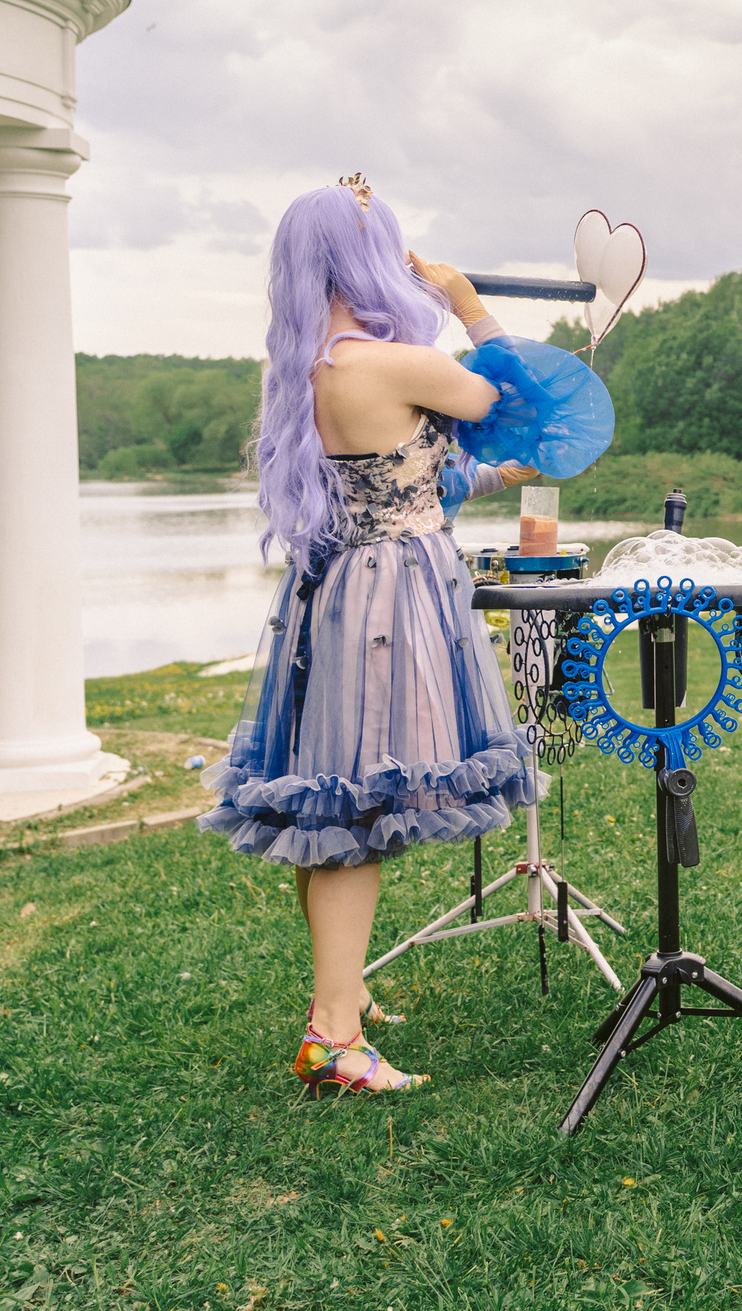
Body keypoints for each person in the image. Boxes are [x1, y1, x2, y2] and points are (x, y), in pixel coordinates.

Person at [197, 179, 574, 1096]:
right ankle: (334, 1038)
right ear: (367, 258)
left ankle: (344, 995)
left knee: (330, 799)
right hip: (392, 600)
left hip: (333, 589)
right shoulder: (394, 360)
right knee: (356, 815)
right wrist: (467, 303)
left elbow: (412, 480)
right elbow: (513, 396)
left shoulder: (312, 368)